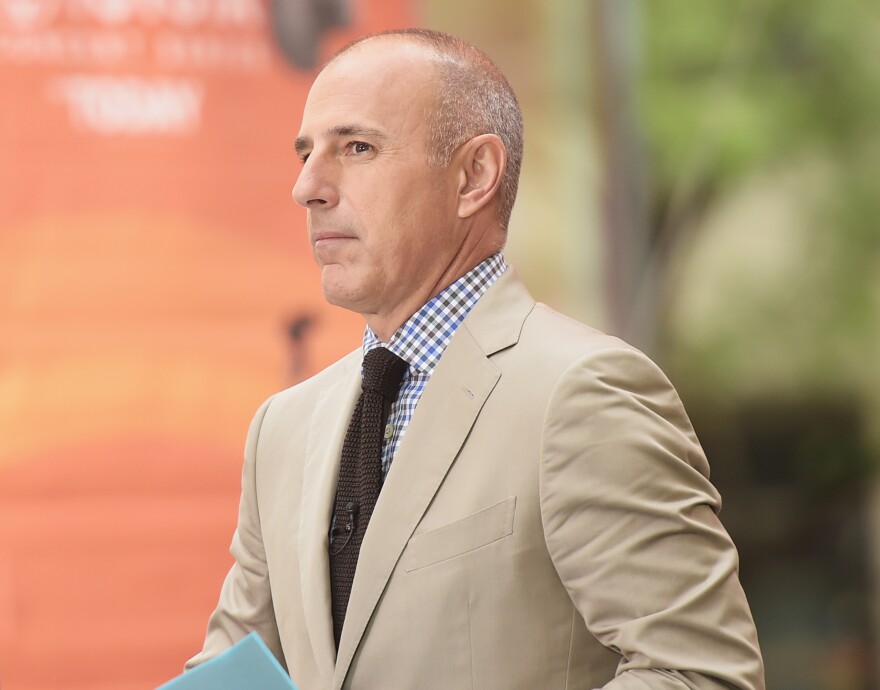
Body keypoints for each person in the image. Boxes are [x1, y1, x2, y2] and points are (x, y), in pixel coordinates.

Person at [187, 28, 765, 689]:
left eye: (356, 147)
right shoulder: (281, 431)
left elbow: (702, 674)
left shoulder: (585, 394)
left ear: (474, 176)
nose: (308, 187)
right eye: (305, 153)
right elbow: (231, 674)